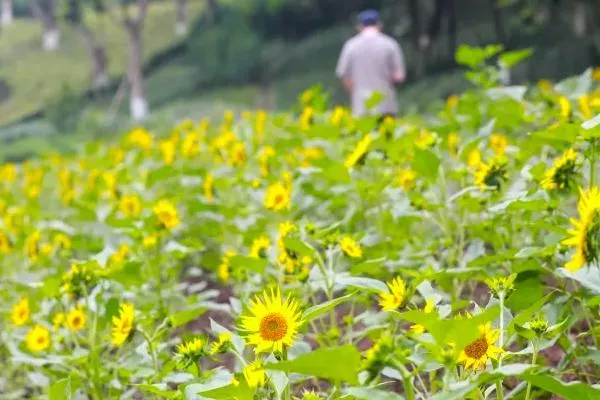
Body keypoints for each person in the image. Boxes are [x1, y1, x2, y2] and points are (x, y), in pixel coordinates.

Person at [335, 9, 406, 119]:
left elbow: (346, 79)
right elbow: (399, 77)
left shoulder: (350, 46)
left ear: (359, 26)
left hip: (361, 108)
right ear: (379, 25)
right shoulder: (390, 44)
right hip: (386, 107)